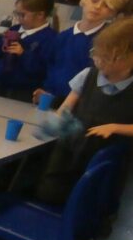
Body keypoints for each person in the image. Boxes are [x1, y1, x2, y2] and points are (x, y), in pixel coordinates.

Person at [35, 18, 133, 205]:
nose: (99, 61)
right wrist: (56, 121)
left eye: (107, 58)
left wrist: (115, 127)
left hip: (104, 164)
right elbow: (66, 108)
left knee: (90, 204)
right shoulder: (88, 75)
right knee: (49, 194)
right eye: (96, 54)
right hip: (70, 152)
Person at [35, 0, 130, 105]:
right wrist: (44, 91)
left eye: (107, 5)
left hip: (84, 105)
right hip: (49, 99)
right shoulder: (62, 37)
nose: (97, 7)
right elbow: (49, 67)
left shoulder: (108, 44)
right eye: (94, 0)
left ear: (113, 12)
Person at [0, 0, 59, 103]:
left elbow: (42, 70)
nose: (18, 18)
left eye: (22, 15)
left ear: (40, 15)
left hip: (24, 94)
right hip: (0, 86)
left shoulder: (51, 39)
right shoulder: (15, 29)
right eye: (16, 13)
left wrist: (23, 54)